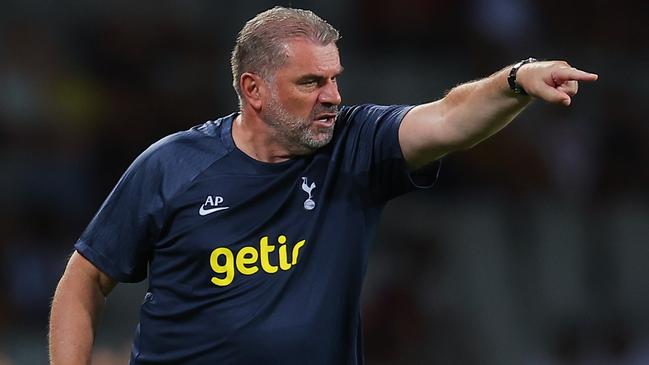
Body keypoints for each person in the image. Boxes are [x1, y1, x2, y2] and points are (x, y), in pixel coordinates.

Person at [48, 6, 598, 365]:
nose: (332, 96)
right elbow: (85, 280)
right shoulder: (171, 166)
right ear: (254, 89)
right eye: (311, 82)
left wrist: (515, 81)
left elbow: (450, 118)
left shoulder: (355, 145)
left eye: (334, 78)